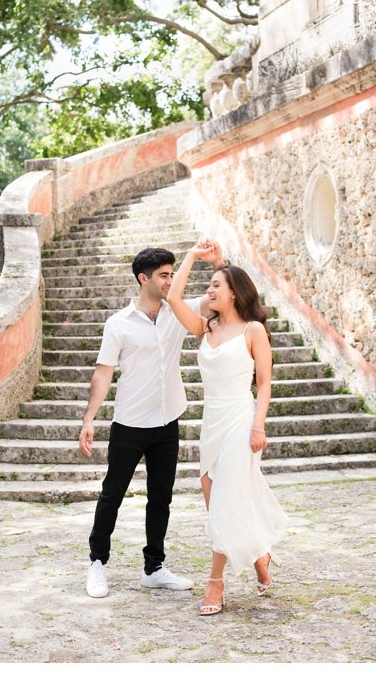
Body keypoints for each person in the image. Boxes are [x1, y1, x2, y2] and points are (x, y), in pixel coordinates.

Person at [79, 245, 223, 598]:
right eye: (163, 275)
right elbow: (103, 374)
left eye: (172, 274)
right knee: (112, 494)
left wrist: (218, 263)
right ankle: (97, 563)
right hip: (129, 422)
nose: (170, 280)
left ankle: (154, 567)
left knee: (161, 497)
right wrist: (89, 419)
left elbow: (221, 301)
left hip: (167, 421)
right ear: (143, 278)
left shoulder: (179, 312)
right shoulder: (118, 324)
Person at [165, 240, 287, 616]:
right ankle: (260, 559)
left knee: (225, 501)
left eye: (217, 285)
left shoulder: (253, 331)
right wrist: (190, 256)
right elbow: (172, 298)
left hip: (240, 419)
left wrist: (258, 425)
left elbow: (264, 383)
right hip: (211, 423)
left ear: (234, 293)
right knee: (218, 503)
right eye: (210, 285)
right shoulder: (206, 328)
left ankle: (214, 583)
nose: (210, 290)